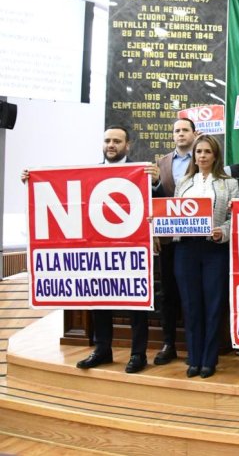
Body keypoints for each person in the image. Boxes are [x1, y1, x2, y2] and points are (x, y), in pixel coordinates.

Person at [22, 126, 161, 374]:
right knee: (99, 299)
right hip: (100, 250)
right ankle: (102, 349)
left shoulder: (142, 173)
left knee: (137, 303)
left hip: (132, 249)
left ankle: (138, 354)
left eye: (117, 141)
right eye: (107, 140)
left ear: (127, 145)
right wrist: (32, 181)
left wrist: (156, 182)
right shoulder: (91, 173)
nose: (111, 145)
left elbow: (161, 199)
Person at [173, 135, 239, 379]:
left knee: (213, 304)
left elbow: (235, 217)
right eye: (198, 151)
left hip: (214, 249)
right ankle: (194, 358)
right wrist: (158, 221)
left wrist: (222, 231)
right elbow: (173, 212)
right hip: (186, 249)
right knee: (190, 305)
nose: (202, 156)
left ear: (215, 155)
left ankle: (209, 360)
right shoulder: (183, 182)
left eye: (207, 152)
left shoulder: (229, 183)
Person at [153, 118, 197, 366]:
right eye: (177, 130)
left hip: (194, 238)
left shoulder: (203, 157)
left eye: (185, 130)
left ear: (194, 133)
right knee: (168, 293)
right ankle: (168, 343)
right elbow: (154, 199)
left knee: (192, 293)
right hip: (168, 238)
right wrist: (154, 232)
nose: (180, 134)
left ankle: (194, 346)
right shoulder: (161, 163)